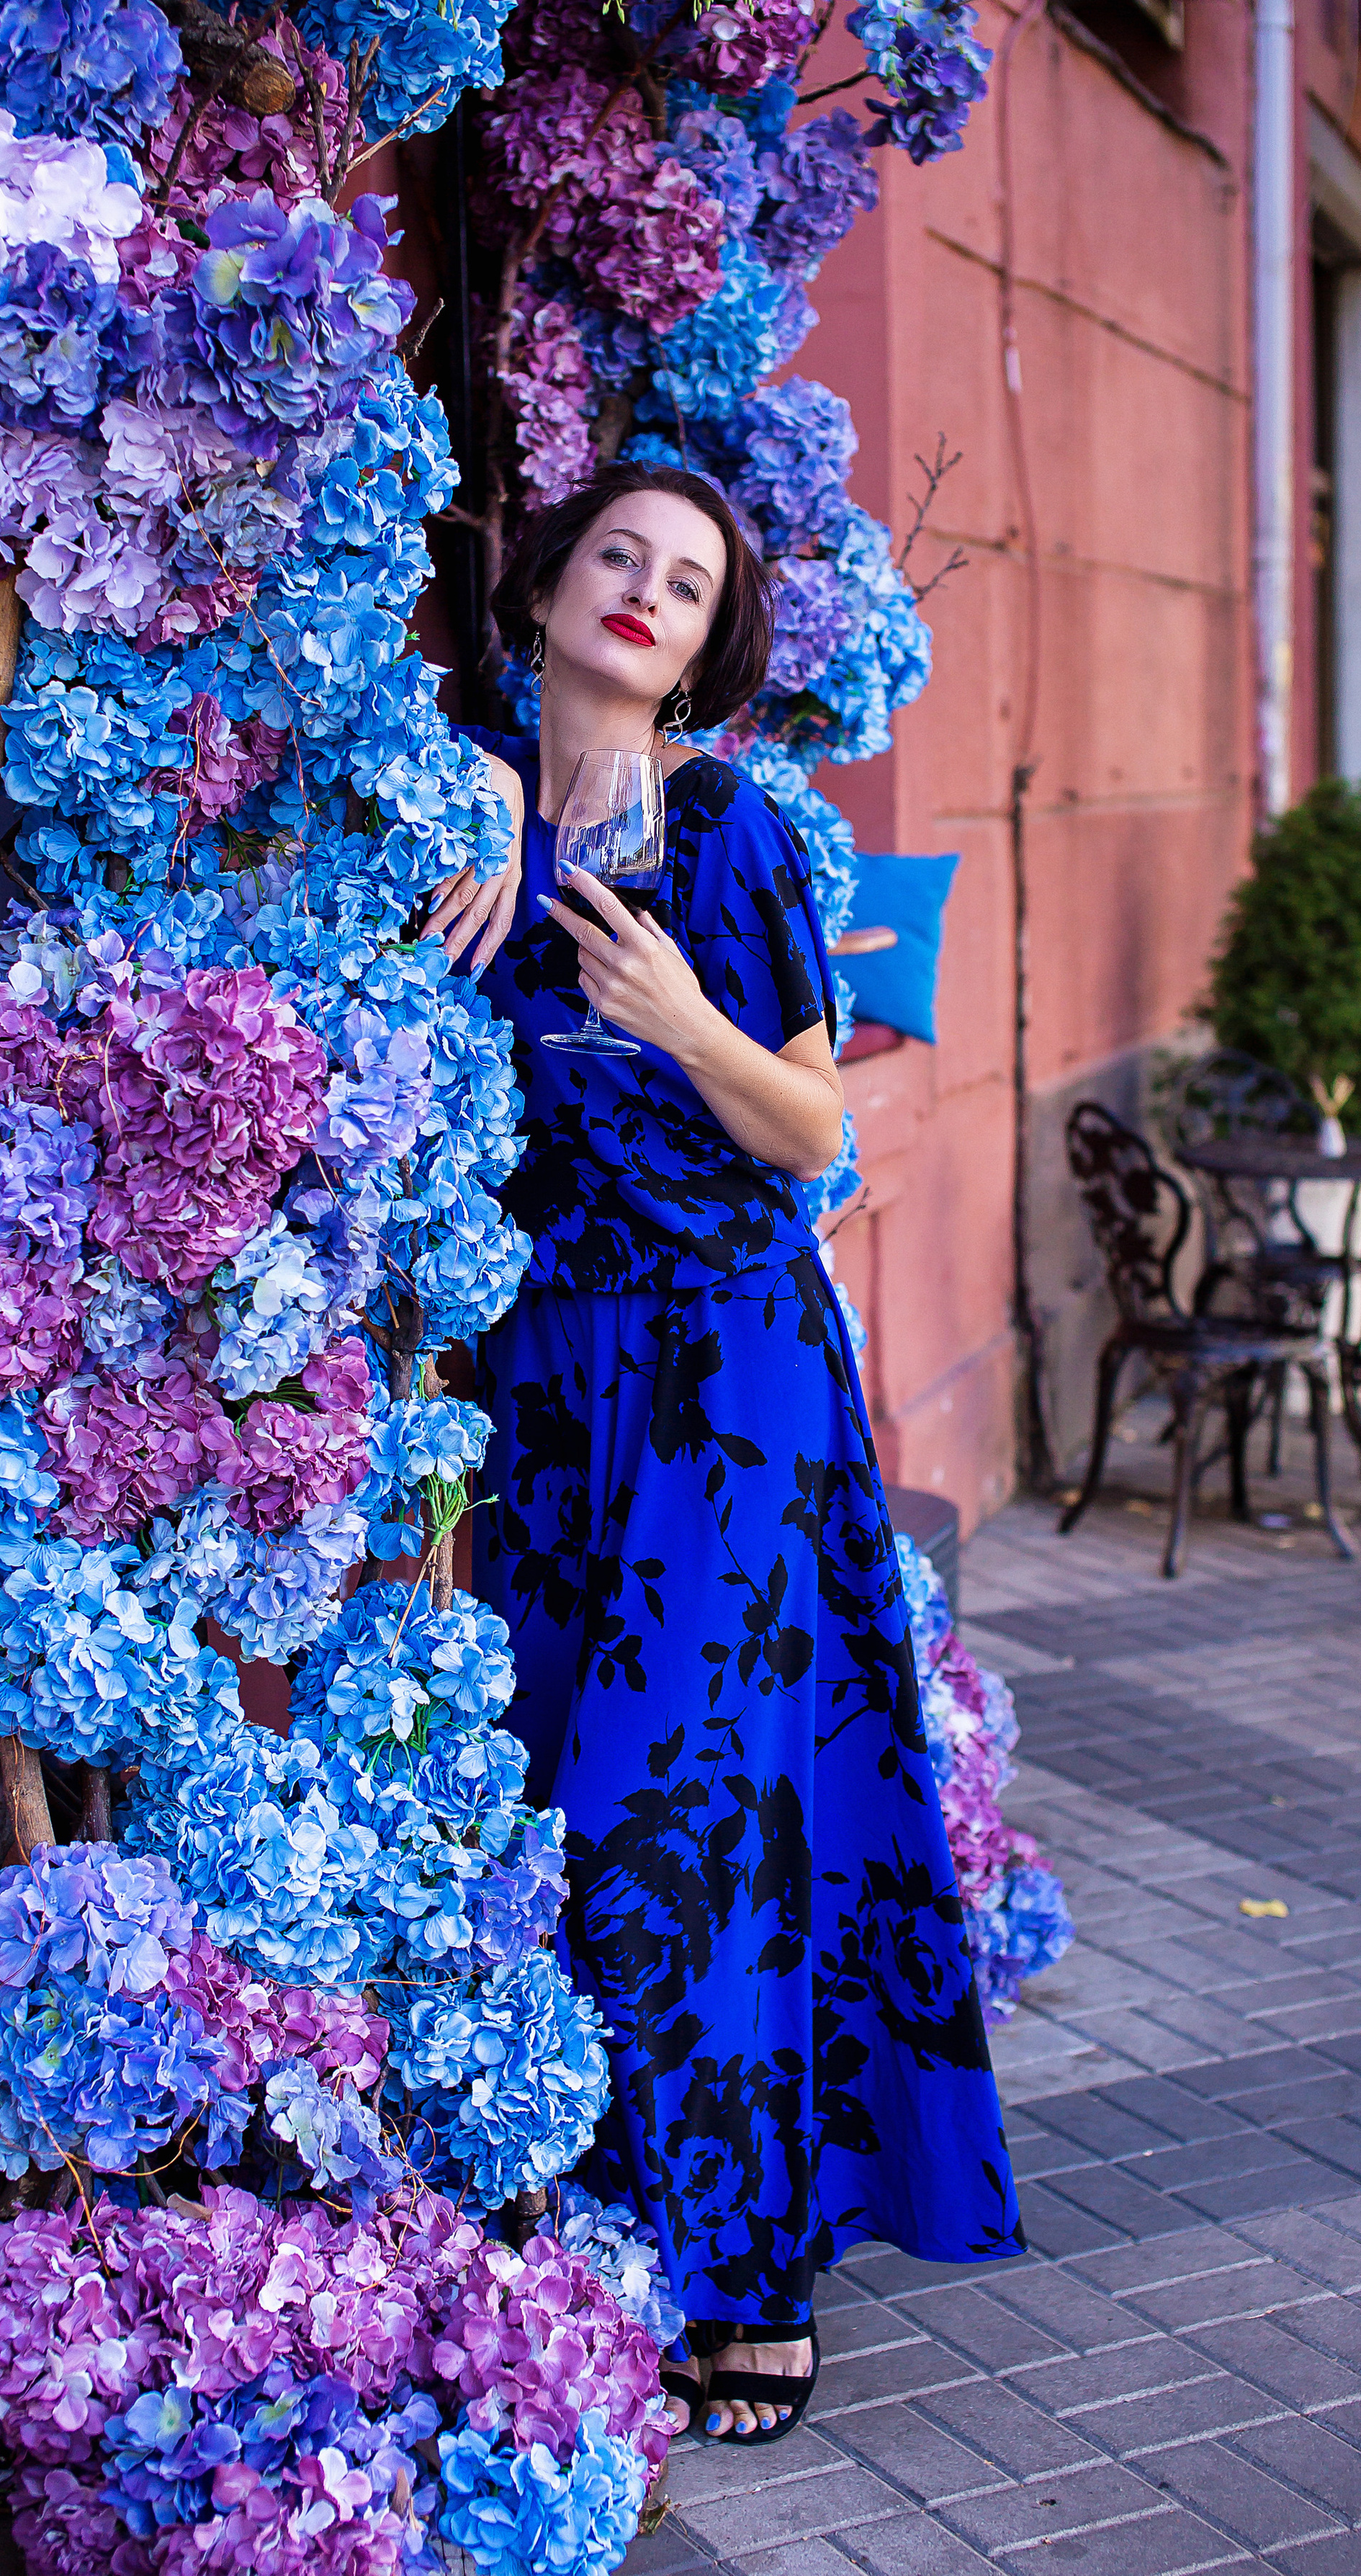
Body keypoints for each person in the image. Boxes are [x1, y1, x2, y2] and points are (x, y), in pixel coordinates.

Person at [429, 463, 1022, 2446]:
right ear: (549, 579)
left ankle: (751, 2276)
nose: (644, 596)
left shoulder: (742, 831)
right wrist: (490, 821)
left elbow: (813, 1134)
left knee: (699, 1821)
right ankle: (613, 2247)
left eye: (685, 586)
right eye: (621, 556)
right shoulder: (461, 807)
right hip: (545, 1396)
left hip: (733, 1390)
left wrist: (682, 1012)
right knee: (556, 1817)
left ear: (706, 647)